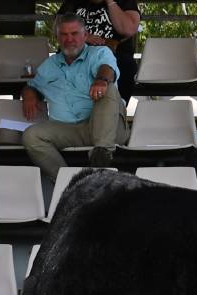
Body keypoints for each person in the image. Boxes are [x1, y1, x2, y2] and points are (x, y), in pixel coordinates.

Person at [21, 14, 128, 179]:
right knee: (31, 136)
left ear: (85, 35)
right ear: (57, 38)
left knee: (109, 88)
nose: (69, 39)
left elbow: (107, 68)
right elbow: (31, 86)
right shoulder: (49, 65)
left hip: (108, 128)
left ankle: (102, 157)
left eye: (74, 33)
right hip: (71, 130)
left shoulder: (99, 52)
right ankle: (70, 183)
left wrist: (101, 80)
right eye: (64, 34)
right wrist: (29, 96)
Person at [56, 0, 140, 111]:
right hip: (78, 52)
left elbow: (129, 30)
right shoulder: (73, 2)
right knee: (60, 64)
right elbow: (58, 27)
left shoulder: (124, 2)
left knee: (126, 65)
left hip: (116, 54)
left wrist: (111, 2)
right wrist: (84, 36)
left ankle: (117, 111)